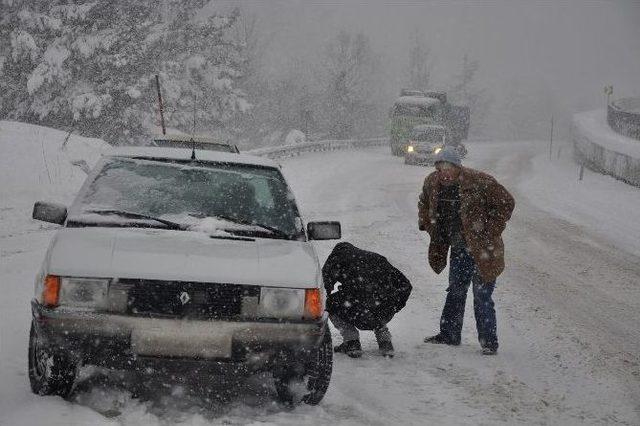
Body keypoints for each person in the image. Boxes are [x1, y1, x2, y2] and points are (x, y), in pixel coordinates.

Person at [418, 146, 514, 355]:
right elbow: (423, 203)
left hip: (484, 251)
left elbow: (506, 203)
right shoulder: (431, 183)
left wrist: (490, 231)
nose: (444, 173)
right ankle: (449, 335)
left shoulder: (479, 181)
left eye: (448, 168)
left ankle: (489, 342)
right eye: (440, 167)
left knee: (482, 296)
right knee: (455, 291)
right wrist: (427, 223)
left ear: (457, 167)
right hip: (459, 249)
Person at [322, 242, 412, 358]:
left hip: (356, 308)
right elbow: (406, 285)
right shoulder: (376, 257)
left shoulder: (337, 258)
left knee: (329, 304)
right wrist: (394, 307)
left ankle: (352, 342)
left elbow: (323, 285)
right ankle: (385, 342)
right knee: (375, 305)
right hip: (381, 307)